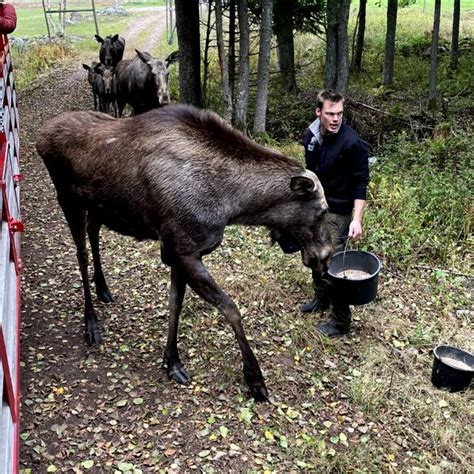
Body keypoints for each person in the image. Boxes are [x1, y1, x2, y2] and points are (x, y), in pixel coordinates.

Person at [301, 89, 369, 337]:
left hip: (338, 212)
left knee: (332, 265)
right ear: (319, 112)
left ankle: (340, 322)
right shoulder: (311, 135)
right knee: (313, 255)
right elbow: (310, 172)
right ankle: (321, 298)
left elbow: (361, 183)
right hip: (314, 208)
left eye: (339, 113)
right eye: (330, 113)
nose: (336, 118)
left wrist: (357, 219)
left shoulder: (352, 143)